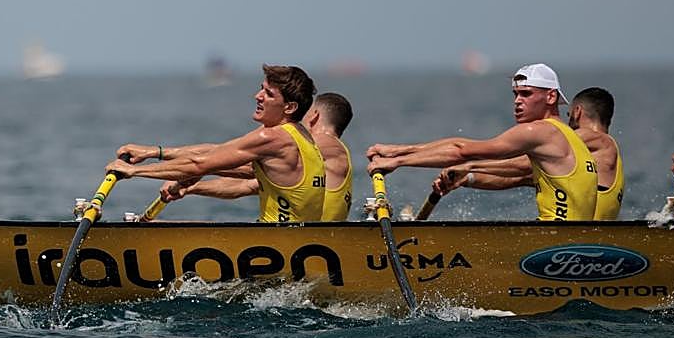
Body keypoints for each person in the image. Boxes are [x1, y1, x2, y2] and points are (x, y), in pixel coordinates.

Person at [366, 64, 598, 221]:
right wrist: (466, 177)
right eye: (515, 95)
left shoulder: (538, 132)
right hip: (569, 244)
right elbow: (515, 176)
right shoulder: (565, 135)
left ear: (551, 97)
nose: (517, 102)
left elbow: (463, 151)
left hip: (554, 244)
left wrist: (398, 161)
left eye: (526, 94)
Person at [106, 65, 326, 222]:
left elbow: (199, 164)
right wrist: (155, 152)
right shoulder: (300, 135)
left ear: (289, 107)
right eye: (261, 88)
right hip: (288, 241)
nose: (257, 96)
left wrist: (133, 171)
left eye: (268, 93)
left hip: (274, 241)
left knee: (154, 229)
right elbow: (217, 153)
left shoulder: (273, 138)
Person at [155, 91, 355, 221]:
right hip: (296, 241)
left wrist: (162, 155)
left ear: (314, 116)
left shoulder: (324, 144)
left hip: (298, 240)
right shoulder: (312, 165)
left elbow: (240, 162)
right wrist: (191, 188)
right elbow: (244, 186)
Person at [434, 87, 624, 219]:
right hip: (584, 243)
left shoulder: (599, 141)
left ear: (577, 112)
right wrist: (466, 179)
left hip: (573, 242)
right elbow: (517, 178)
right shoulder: (584, 165)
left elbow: (521, 164)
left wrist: (470, 165)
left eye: (568, 117)